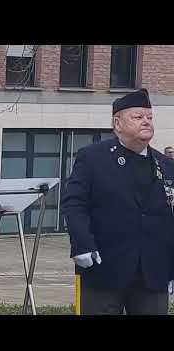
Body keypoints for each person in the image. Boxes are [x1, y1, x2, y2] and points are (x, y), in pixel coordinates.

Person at [62, 88, 174, 315]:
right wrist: (82, 243)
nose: (146, 122)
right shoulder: (93, 158)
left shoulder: (165, 164)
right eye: (138, 117)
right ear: (117, 123)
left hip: (153, 273)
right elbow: (75, 203)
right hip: (104, 267)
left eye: (149, 117)